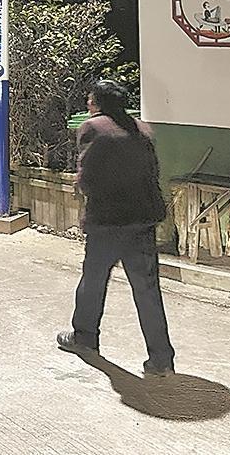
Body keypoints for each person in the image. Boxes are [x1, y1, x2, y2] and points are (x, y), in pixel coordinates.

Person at [56, 79, 176, 376]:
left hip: (108, 221)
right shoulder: (143, 129)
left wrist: (83, 189)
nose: (88, 103)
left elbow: (88, 176)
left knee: (94, 281)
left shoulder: (94, 127)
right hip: (142, 221)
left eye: (90, 99)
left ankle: (85, 337)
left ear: (98, 102)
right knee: (147, 290)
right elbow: (153, 172)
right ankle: (161, 357)